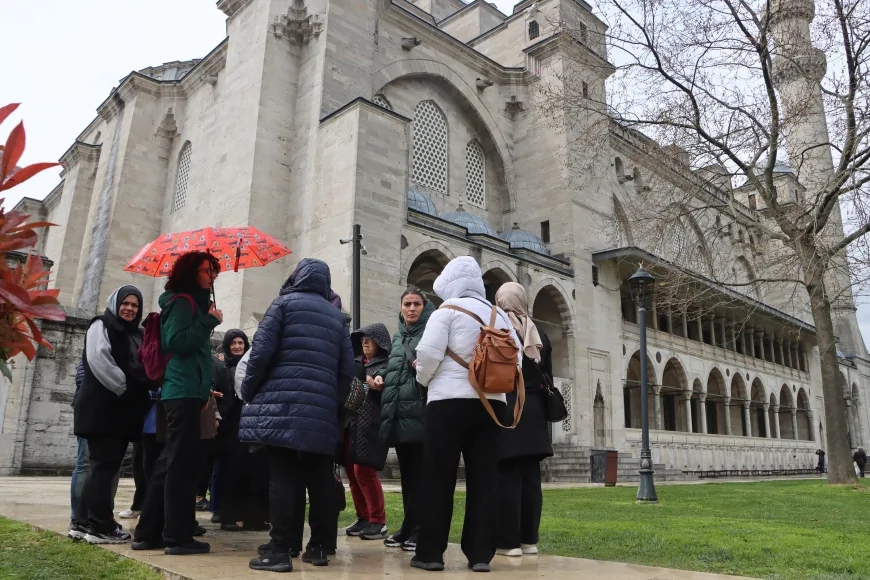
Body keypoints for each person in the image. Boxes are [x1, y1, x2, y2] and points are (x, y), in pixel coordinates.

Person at [240, 259, 354, 573]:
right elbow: (347, 371)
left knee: (283, 479)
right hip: (320, 411)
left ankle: (281, 549)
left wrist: (248, 391)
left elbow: (261, 353)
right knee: (319, 481)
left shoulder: (283, 305)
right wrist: (335, 406)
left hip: (282, 406)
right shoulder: (336, 317)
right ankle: (317, 547)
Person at [411, 256, 521, 573]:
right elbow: (517, 364)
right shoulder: (499, 315)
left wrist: (423, 377)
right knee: (484, 478)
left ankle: (430, 553)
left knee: (438, 477)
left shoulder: (446, 311)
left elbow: (428, 354)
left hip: (448, 402)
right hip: (491, 405)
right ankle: (480, 555)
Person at [133, 251, 223, 555]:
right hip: (180, 392)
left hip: (186, 392)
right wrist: (207, 321)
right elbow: (177, 341)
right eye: (206, 270)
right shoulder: (181, 302)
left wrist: (204, 390)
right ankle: (177, 536)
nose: (212, 275)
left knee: (170, 463)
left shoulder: (190, 303)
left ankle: (148, 533)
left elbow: (194, 352)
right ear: (190, 273)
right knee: (181, 466)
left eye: (214, 270)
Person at [73, 285, 153, 544]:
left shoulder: (134, 333)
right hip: (102, 409)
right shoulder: (102, 324)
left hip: (118, 412)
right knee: (103, 468)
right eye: (125, 303)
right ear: (115, 303)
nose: (129, 308)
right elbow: (98, 359)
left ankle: (84, 523)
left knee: (102, 467)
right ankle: (100, 527)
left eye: (135, 305)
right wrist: (124, 387)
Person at [494, 282, 553, 557]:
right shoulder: (538, 332)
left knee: (507, 475)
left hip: (509, 406)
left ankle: (509, 542)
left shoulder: (497, 328)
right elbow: (547, 377)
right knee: (531, 478)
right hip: (535, 410)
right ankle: (530, 541)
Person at [378, 287, 435, 552]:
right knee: (408, 477)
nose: (411, 308)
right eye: (407, 304)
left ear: (424, 307)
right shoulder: (399, 335)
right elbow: (396, 369)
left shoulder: (430, 332)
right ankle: (409, 526)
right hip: (400, 416)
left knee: (423, 478)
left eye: (416, 304)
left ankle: (422, 530)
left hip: (422, 416)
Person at [216, 330, 269, 531]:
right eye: (233, 343)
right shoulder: (224, 366)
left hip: (252, 419)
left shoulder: (250, 361)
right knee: (233, 469)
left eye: (241, 343)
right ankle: (229, 516)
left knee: (255, 470)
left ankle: (253, 517)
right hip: (234, 423)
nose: (237, 347)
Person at [344, 323, 391, 541]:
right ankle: (363, 517)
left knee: (365, 471)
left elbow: (387, 397)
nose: (364, 342)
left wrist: (373, 385)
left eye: (369, 339)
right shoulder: (358, 365)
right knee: (353, 473)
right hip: (352, 426)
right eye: (362, 339)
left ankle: (378, 521)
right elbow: (354, 399)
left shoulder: (386, 365)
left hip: (372, 425)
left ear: (379, 342)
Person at [68, 361, 120, 539]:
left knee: (92, 465)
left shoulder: (96, 343)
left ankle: (85, 520)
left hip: (90, 406)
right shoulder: (104, 340)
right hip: (98, 408)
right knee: (92, 465)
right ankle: (84, 521)